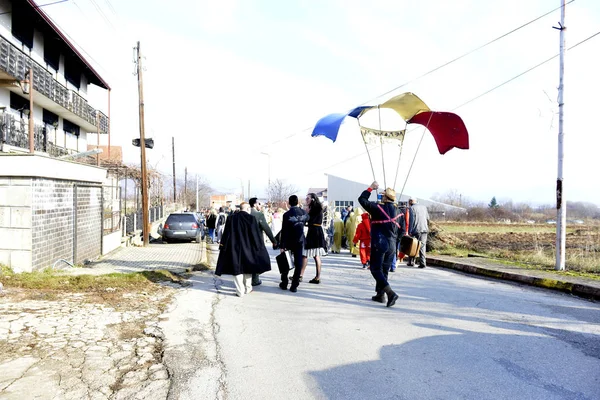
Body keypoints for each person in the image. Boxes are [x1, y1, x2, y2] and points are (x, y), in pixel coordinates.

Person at [215, 202, 271, 297]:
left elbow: (226, 233)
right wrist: (258, 246)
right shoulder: (251, 218)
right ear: (248, 208)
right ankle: (248, 288)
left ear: (240, 208)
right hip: (248, 247)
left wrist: (222, 245)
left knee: (236, 268)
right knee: (248, 267)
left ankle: (240, 290)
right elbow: (255, 234)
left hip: (234, 246)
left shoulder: (231, 218)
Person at [358, 181, 400, 307]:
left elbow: (362, 199)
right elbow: (402, 231)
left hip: (380, 242)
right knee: (384, 270)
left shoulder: (377, 208)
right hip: (392, 244)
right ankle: (380, 295)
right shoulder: (400, 212)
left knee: (376, 269)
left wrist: (371, 188)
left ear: (385, 197)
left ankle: (390, 293)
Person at [279, 195, 307, 292]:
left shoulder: (286, 215)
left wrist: (282, 245)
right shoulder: (304, 213)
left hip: (288, 241)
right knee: (298, 263)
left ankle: (284, 282)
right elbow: (307, 220)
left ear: (289, 202)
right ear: (298, 202)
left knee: (285, 262)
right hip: (299, 240)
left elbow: (284, 230)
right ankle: (294, 285)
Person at [249, 197, 278, 286]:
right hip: (257, 241)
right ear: (254, 204)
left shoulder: (245, 213)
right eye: (259, 204)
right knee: (258, 260)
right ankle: (255, 279)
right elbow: (266, 228)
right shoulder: (259, 215)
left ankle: (247, 279)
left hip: (246, 241)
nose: (261, 206)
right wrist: (274, 240)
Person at [300, 193, 327, 284]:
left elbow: (310, 219)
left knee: (311, 255)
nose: (306, 200)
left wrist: (306, 214)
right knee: (313, 255)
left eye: (308, 198)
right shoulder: (316, 207)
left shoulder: (316, 208)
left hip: (315, 232)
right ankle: (303, 275)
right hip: (315, 231)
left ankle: (312, 276)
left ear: (313, 199)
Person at [407, 197, 429, 268]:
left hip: (415, 230)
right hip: (424, 229)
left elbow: (411, 220)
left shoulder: (412, 208)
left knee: (412, 246)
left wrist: (409, 231)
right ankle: (423, 263)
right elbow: (428, 218)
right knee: (422, 246)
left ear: (410, 202)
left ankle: (411, 262)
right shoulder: (424, 207)